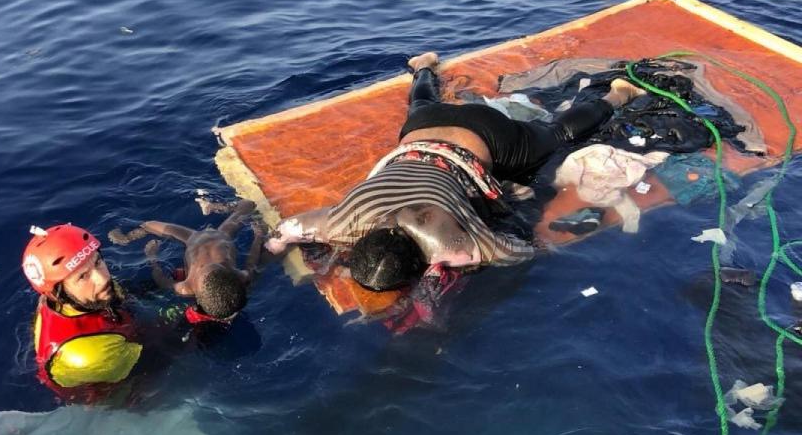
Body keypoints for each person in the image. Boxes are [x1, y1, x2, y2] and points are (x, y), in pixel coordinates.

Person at [265, 52, 645, 292]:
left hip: (487, 138)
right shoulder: (339, 222)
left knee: (558, 134)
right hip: (421, 131)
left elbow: (520, 252)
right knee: (421, 104)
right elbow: (285, 231)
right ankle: (424, 66)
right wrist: (276, 245)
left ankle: (619, 94)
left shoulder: (449, 246)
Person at [22, 224, 142, 402]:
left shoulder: (66, 298)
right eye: (82, 276)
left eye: (98, 262)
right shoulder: (90, 356)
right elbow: (151, 363)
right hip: (118, 393)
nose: (102, 279)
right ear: (57, 293)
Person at [108, 199, 264, 324]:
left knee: (148, 225)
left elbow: (162, 280)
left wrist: (152, 257)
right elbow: (252, 262)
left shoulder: (185, 288)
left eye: (206, 268)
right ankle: (215, 206)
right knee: (249, 205)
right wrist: (258, 237)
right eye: (220, 265)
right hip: (222, 235)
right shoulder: (240, 277)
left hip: (192, 239)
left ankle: (126, 239)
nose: (208, 264)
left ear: (197, 290)